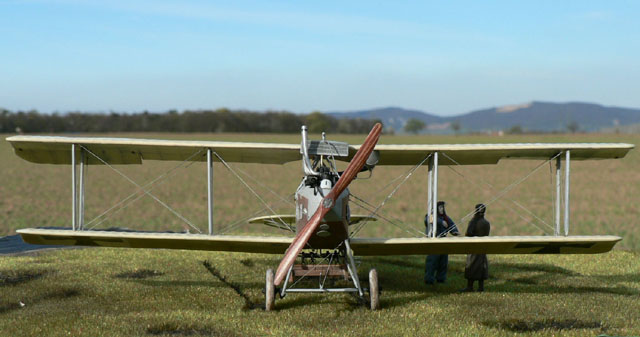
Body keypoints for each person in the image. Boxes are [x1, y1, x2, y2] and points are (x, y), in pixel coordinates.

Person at [424, 201, 459, 285]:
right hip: (434, 241)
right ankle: (429, 279)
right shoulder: (430, 216)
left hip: (443, 241)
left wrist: (455, 231)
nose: (442, 209)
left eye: (442, 207)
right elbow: (428, 220)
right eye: (440, 208)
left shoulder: (445, 217)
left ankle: (441, 278)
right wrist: (440, 222)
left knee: (443, 262)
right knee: (432, 262)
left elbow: (451, 224)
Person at [460, 204, 491, 292]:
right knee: (482, 266)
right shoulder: (486, 223)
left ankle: (470, 286)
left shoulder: (473, 222)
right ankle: (481, 287)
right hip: (483, 247)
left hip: (473, 247)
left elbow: (469, 233)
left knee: (471, 266)